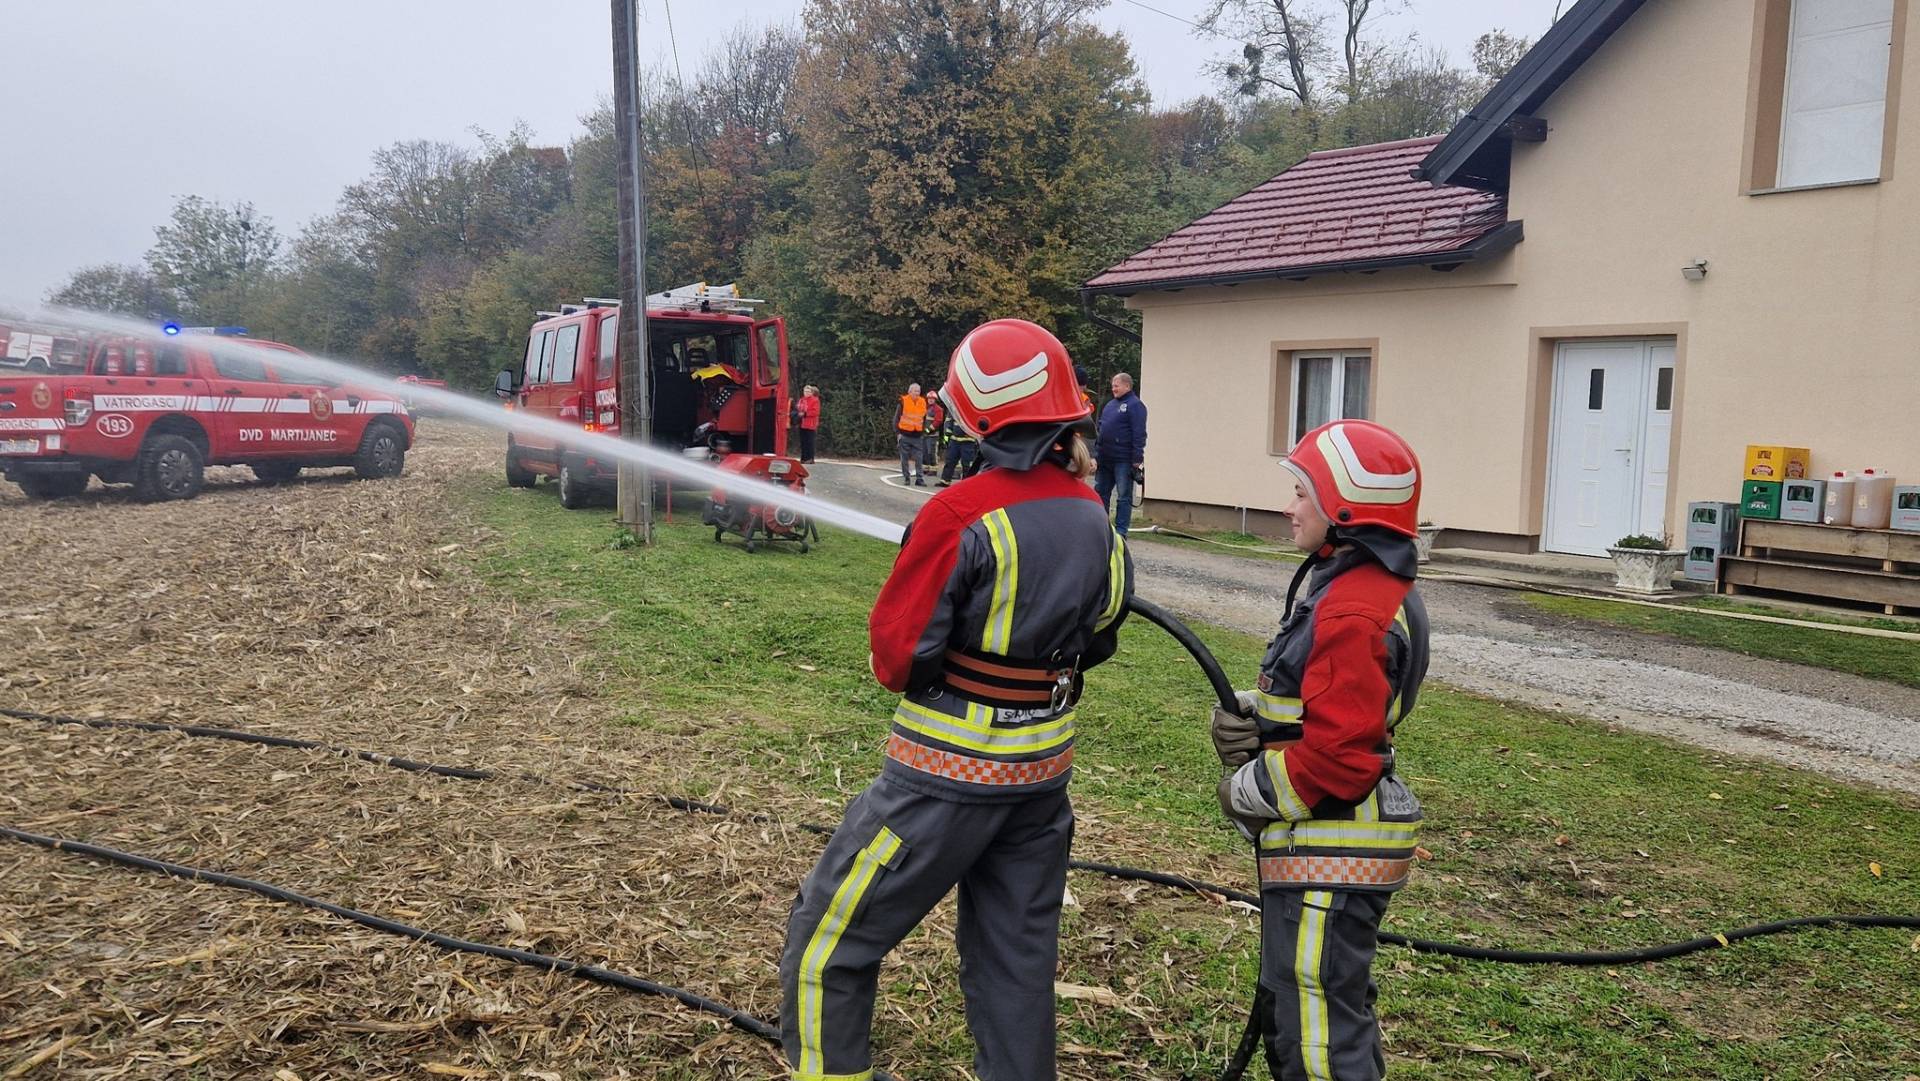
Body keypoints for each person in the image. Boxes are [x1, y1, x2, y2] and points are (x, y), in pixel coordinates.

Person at [779, 319, 1133, 1081]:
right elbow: (1105, 629)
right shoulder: (1093, 514)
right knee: (1014, 967)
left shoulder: (958, 513)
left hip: (945, 777)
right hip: (1041, 776)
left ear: (976, 413)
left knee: (825, 946)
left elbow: (898, 656)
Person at [1208, 419, 1431, 1081]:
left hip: (1330, 850)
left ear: (1345, 508)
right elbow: (1336, 705)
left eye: (1303, 493)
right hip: (1332, 849)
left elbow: (1338, 760)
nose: (1289, 506)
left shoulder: (1352, 609)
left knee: (1316, 1034)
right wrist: (1256, 714)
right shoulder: (1361, 588)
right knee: (1327, 1007)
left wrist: (1244, 789)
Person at [1093, 372, 1146, 534]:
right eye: (1112, 386)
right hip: (1104, 458)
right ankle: (1102, 528)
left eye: (1116, 386)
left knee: (1123, 496)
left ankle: (1121, 531)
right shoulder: (1110, 405)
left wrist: (1137, 458)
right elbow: (1101, 429)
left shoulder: (1135, 405)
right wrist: (1096, 453)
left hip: (1123, 459)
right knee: (1101, 493)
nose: (1113, 389)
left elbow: (1139, 433)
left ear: (1127, 386)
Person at [894, 381, 930, 486]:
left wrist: (923, 431)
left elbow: (924, 419)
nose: (917, 393)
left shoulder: (923, 402)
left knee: (919, 458)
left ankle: (919, 479)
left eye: (918, 391)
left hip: (917, 436)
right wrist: (898, 433)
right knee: (904, 458)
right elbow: (896, 419)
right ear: (909, 391)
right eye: (915, 391)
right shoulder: (903, 402)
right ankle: (906, 477)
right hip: (904, 435)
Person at [936, 402, 979, 485]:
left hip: (968, 442)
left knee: (967, 464)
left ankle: (966, 484)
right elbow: (948, 423)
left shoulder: (972, 410)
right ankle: (945, 481)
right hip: (954, 441)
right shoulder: (954, 410)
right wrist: (946, 438)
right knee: (950, 461)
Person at [794, 384, 822, 463]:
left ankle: (810, 458)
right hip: (802, 423)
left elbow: (816, 412)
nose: (806, 393)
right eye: (805, 391)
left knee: (810, 441)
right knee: (803, 441)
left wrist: (805, 414)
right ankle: (803, 458)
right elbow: (798, 408)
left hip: (810, 424)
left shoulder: (815, 400)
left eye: (808, 391)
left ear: (811, 392)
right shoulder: (801, 399)